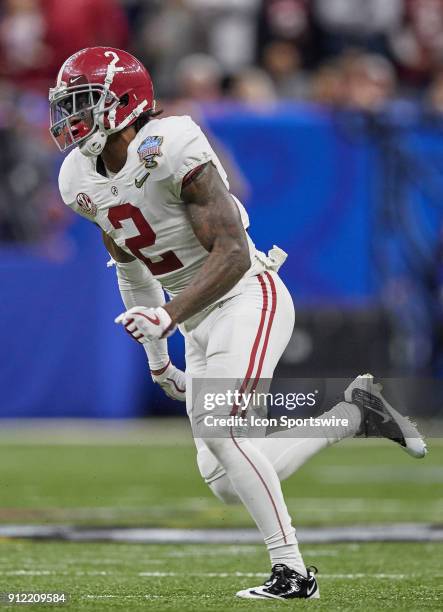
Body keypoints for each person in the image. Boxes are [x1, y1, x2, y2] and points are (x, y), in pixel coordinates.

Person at [49, 47, 426, 601]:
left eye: (84, 102)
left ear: (126, 103)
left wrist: (167, 315)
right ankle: (351, 415)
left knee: (223, 431)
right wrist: (161, 359)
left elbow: (229, 252)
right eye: (68, 105)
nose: (71, 118)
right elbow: (129, 264)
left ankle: (293, 573)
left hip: (248, 295)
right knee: (226, 480)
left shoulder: (171, 143)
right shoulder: (77, 177)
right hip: (194, 317)